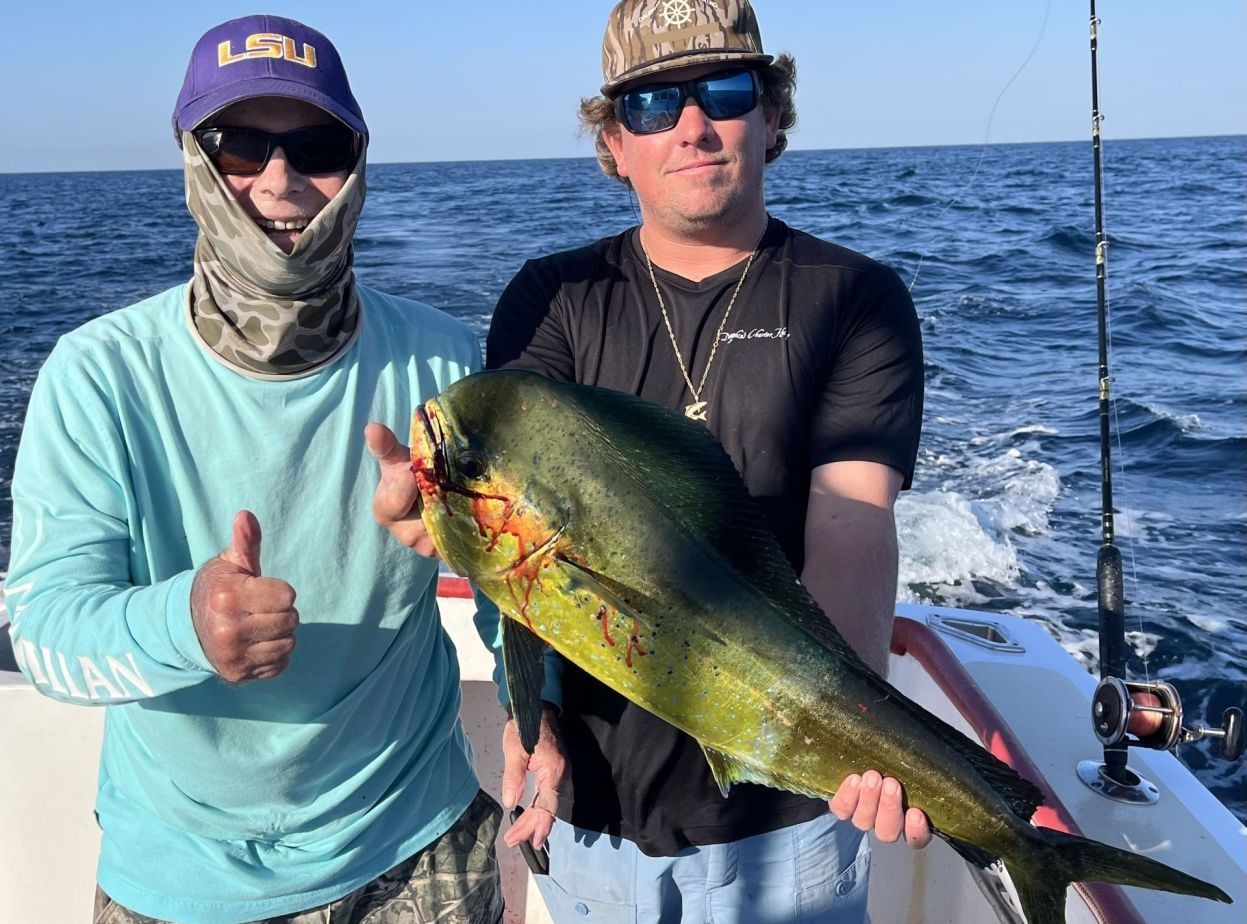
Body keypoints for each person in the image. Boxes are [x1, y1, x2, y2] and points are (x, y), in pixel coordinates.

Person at [4, 15, 503, 924]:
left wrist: (533, 723)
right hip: (181, 879)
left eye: (315, 146)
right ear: (193, 157)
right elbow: (42, 633)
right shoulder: (97, 372)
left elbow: (515, 594)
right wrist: (184, 622)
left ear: (355, 164)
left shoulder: (444, 361)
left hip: (418, 836)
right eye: (239, 146)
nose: (279, 180)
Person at [482, 0, 932, 920]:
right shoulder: (550, 301)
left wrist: (853, 734)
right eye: (650, 105)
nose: (691, 126)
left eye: (722, 92)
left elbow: (850, 530)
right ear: (613, 142)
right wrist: (536, 718)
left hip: (789, 827)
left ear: (771, 117)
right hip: (587, 815)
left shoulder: (854, 297)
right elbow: (524, 548)